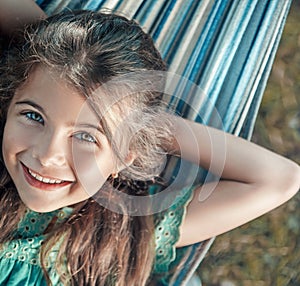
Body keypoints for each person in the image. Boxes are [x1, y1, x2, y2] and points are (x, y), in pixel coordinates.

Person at [0, 4, 299, 286]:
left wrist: (138, 123)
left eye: (86, 137)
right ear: (8, 102)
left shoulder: (123, 232)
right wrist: (53, 47)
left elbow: (279, 179)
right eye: (32, 115)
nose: (47, 155)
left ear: (124, 157)